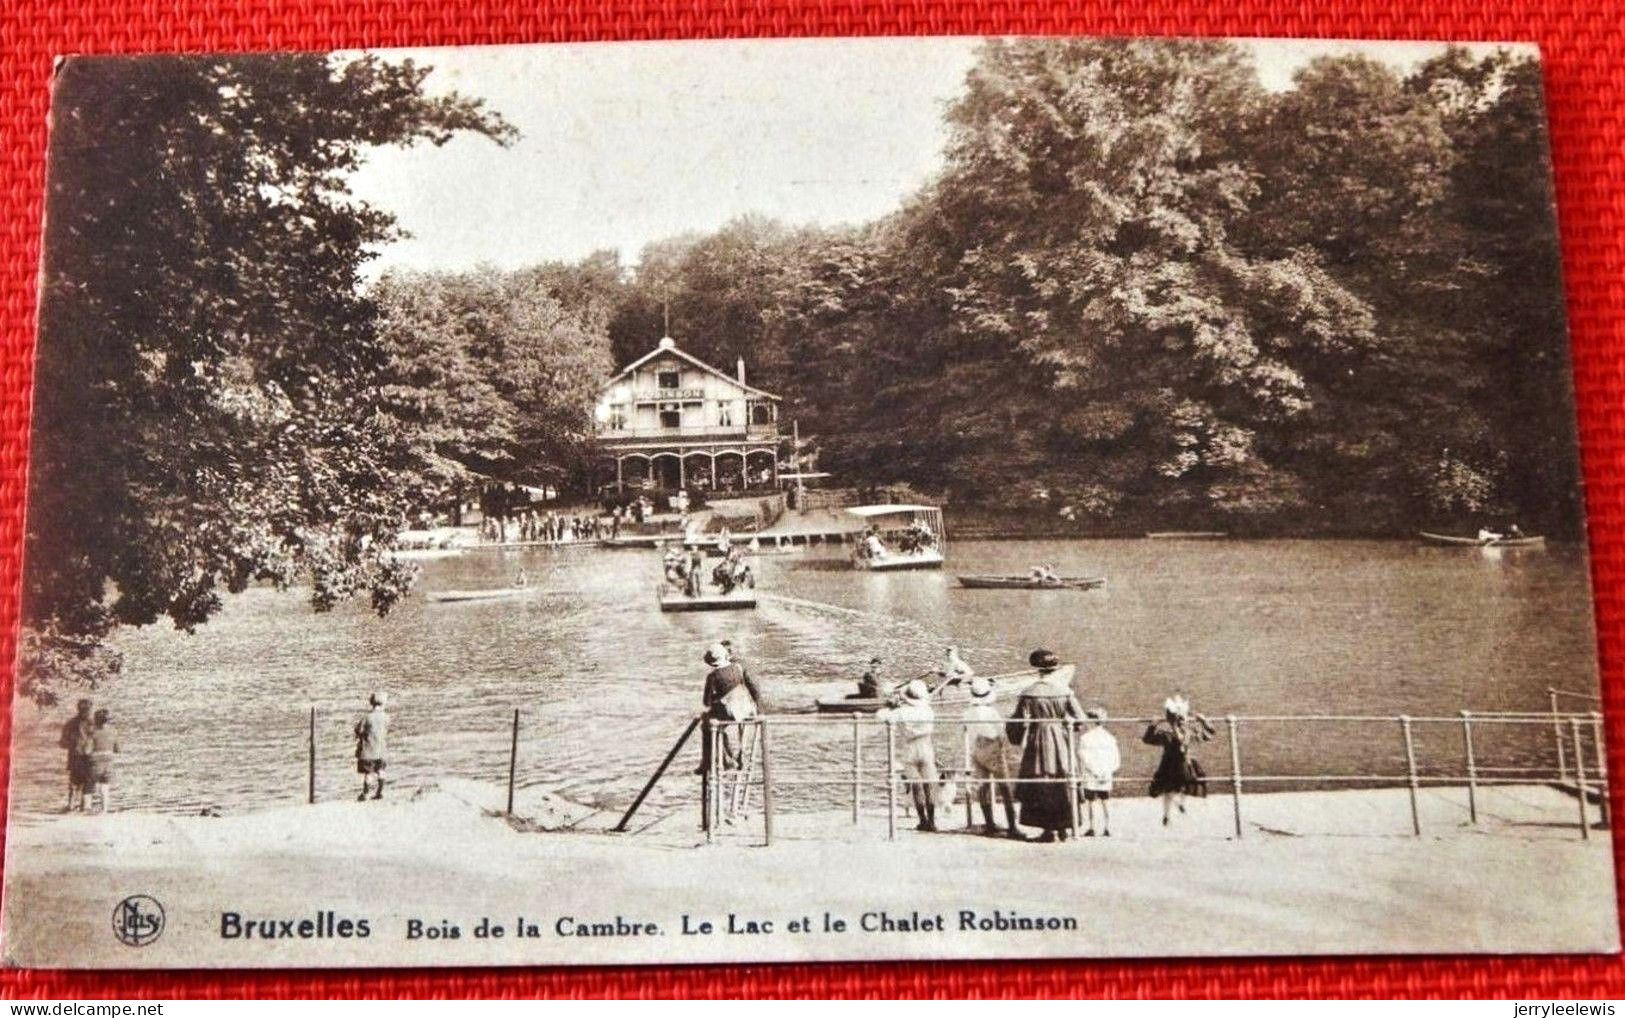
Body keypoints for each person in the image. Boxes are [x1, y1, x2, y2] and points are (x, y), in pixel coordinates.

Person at [1005, 649, 1084, 842]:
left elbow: (1017, 722)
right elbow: (1080, 719)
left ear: (1037, 670)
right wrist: (1067, 726)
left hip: (1038, 738)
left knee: (1041, 778)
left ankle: (1048, 830)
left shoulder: (1029, 693)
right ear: (1055, 669)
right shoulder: (1065, 691)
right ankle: (1065, 826)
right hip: (1060, 739)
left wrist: (1016, 737)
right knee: (1063, 776)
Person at [962, 677, 1022, 838]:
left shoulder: (967, 712)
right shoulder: (991, 712)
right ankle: (1012, 827)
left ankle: (990, 824)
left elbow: (966, 730)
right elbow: (1001, 734)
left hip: (977, 748)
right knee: (1005, 787)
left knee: (984, 786)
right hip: (993, 748)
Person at [1143, 694, 1216, 826]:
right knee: (1183, 785)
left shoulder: (1167, 734)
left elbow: (1147, 739)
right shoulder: (1188, 731)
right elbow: (1209, 734)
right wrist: (1204, 721)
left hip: (1170, 764)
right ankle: (1176, 808)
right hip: (1183, 763)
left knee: (1168, 789)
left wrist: (1153, 725)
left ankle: (1167, 814)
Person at [879, 679, 940, 832]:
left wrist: (891, 707)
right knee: (929, 785)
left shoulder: (901, 712)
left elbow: (880, 716)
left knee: (916, 785)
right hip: (926, 746)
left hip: (909, 748)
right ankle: (932, 821)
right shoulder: (928, 710)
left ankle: (923, 820)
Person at [700, 643, 761, 773]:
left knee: (707, 725)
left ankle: (724, 759)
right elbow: (754, 688)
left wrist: (717, 698)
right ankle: (741, 756)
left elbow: (706, 702)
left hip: (730, 712)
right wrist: (757, 707)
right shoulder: (739, 667)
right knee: (736, 725)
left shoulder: (713, 677)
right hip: (747, 709)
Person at [1078, 707, 1120, 837]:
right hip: (1105, 774)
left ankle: (1092, 828)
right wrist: (1107, 771)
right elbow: (1116, 759)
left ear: (1091, 721)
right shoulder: (1110, 738)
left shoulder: (1085, 738)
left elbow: (1084, 757)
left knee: (1091, 801)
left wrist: (1095, 772)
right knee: (1105, 800)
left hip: (1092, 774)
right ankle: (1108, 827)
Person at [58, 698, 94, 812]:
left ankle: (71, 805)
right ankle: (85, 806)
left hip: (75, 755)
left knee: (74, 781)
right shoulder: (93, 724)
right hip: (89, 756)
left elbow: (63, 743)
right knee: (87, 781)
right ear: (90, 709)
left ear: (78, 709)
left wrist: (72, 744)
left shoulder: (70, 724)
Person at [354, 692, 389, 802]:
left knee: (368, 773)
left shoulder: (367, 717)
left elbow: (359, 730)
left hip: (369, 749)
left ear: (372, 703)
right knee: (381, 770)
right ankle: (380, 792)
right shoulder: (386, 717)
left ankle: (365, 793)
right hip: (381, 749)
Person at [86, 708, 120, 814]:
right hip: (109, 761)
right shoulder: (114, 732)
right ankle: (104, 810)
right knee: (105, 787)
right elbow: (117, 749)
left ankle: (88, 809)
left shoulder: (92, 733)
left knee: (89, 785)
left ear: (96, 720)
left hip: (95, 761)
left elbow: (87, 750)